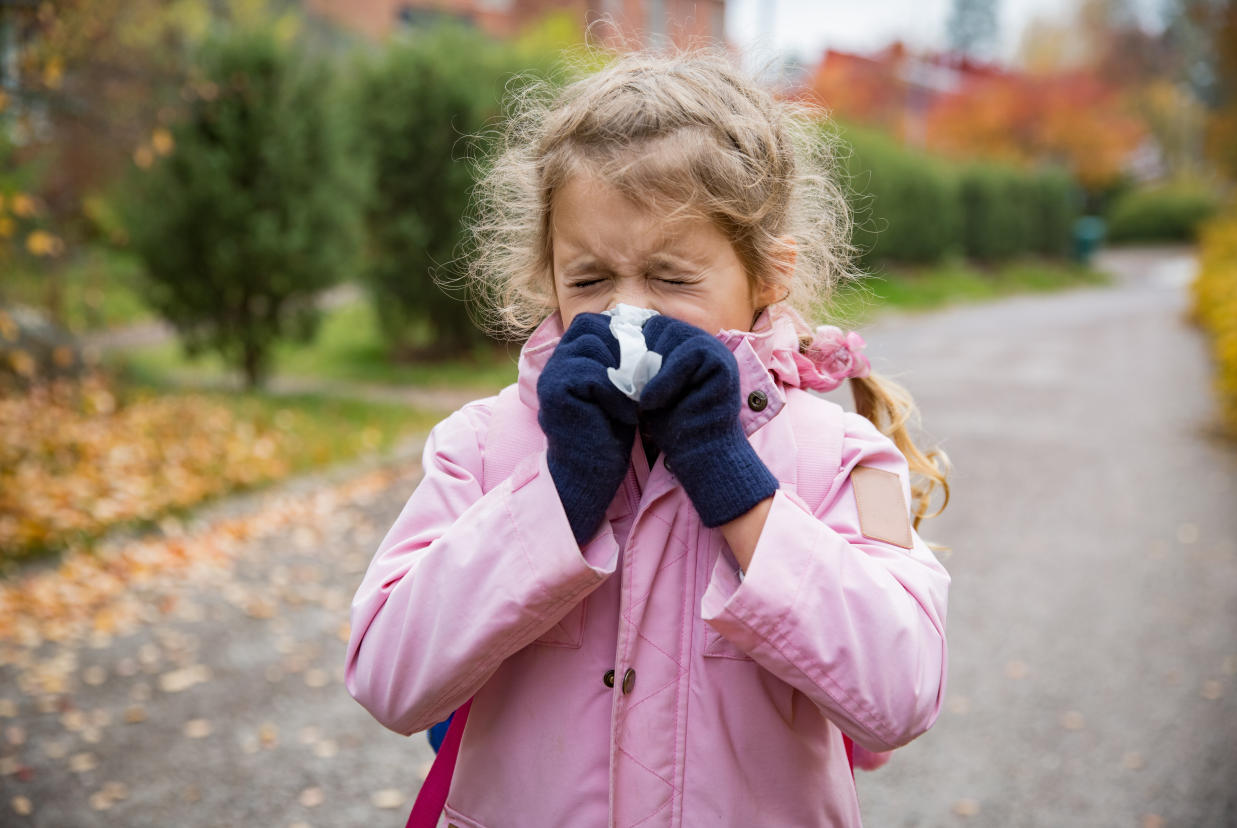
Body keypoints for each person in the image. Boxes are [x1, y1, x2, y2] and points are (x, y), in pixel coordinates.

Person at [344, 46, 953, 827]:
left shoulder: (837, 458)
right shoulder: (485, 446)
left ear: (768, 275)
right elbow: (390, 681)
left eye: (672, 277)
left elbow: (899, 696)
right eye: (590, 280)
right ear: (549, 276)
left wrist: (732, 481)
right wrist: (559, 498)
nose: (628, 315)